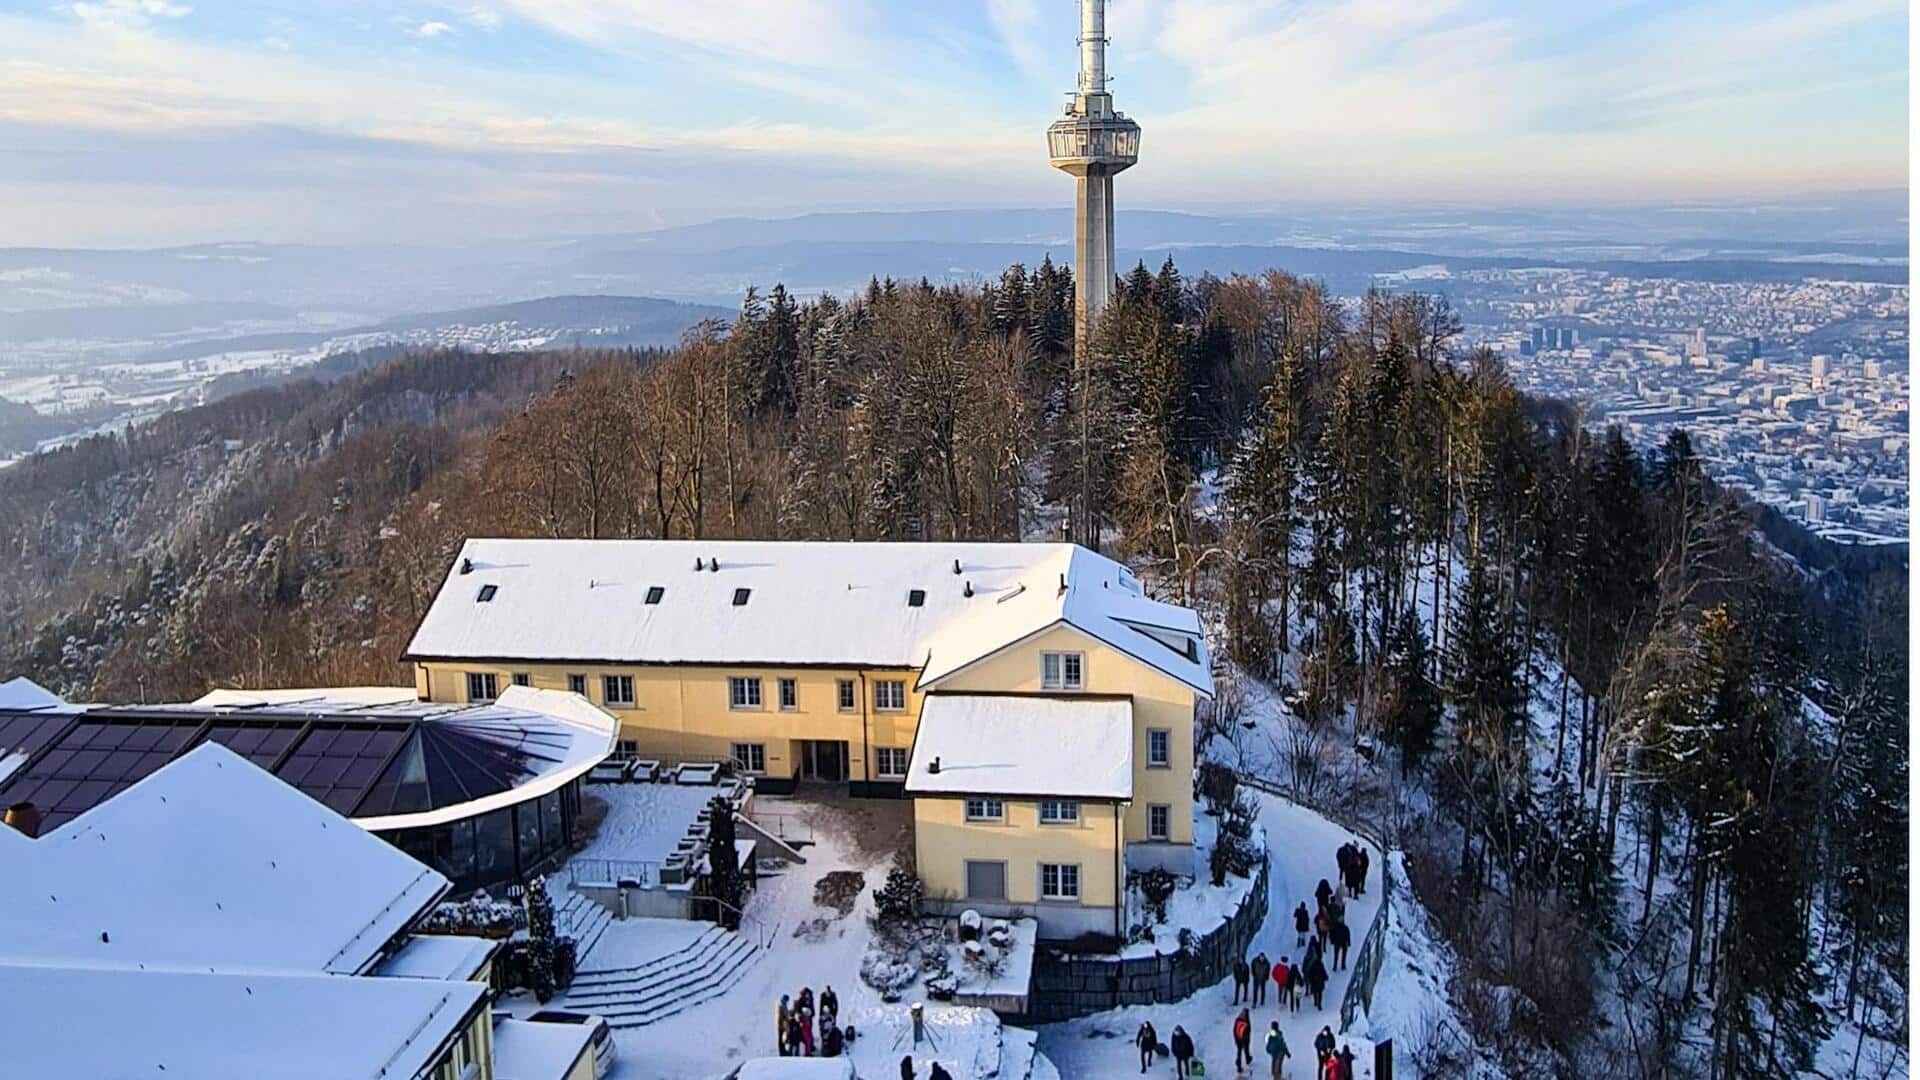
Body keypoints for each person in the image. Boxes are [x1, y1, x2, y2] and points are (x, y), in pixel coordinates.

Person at [1233, 1008, 1253, 1072]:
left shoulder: (1237, 1020)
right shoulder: (1246, 1021)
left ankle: (1239, 1064)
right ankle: (1248, 1059)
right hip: (1245, 1039)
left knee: (1239, 1051)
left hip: (1238, 1038)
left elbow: (1234, 1030)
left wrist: (1236, 1038)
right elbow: (1248, 1030)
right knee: (1246, 1049)